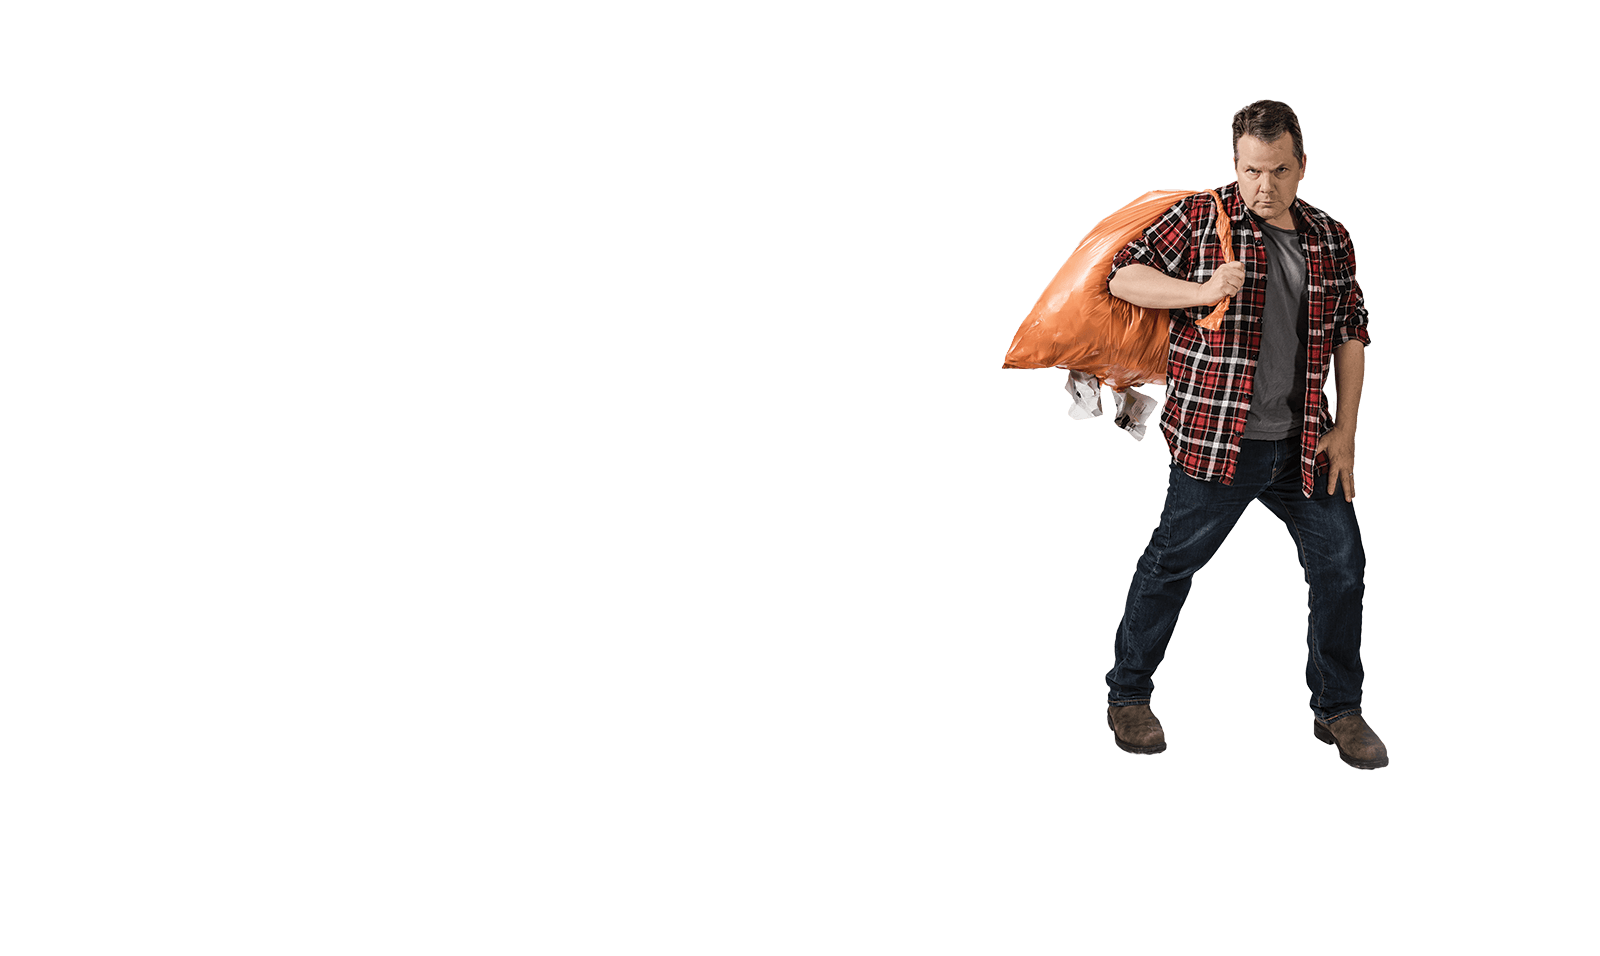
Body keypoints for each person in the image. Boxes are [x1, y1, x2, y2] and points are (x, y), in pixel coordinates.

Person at [1101, 100, 1385, 770]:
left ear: (1302, 165)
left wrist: (1345, 429)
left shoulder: (1329, 234)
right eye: (1253, 169)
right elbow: (1124, 274)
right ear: (1236, 163)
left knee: (1343, 568)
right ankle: (1128, 695)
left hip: (1306, 446)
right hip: (1217, 442)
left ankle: (1339, 709)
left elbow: (1352, 331)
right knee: (1172, 565)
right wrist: (1199, 289)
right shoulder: (1203, 217)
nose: (1265, 185)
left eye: (1280, 170)